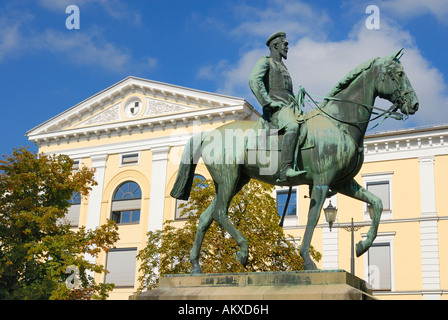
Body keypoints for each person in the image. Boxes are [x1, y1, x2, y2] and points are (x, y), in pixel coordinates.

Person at [249, 31, 306, 183]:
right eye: (285, 44)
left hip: (289, 108)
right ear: (276, 45)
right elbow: (254, 80)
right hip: (276, 110)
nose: (287, 47)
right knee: (293, 126)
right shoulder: (265, 62)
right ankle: (286, 170)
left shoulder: (283, 66)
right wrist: (267, 102)